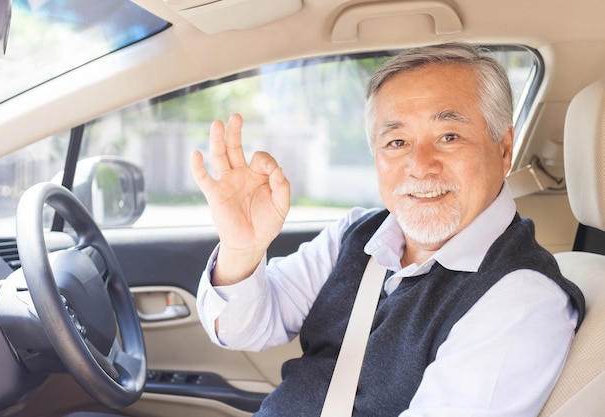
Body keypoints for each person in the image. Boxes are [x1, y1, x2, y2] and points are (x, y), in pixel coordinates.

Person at [189, 43, 585, 417]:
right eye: (396, 142)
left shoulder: (520, 299)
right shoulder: (359, 234)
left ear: (503, 149)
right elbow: (244, 329)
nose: (419, 164)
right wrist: (242, 250)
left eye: (449, 136)